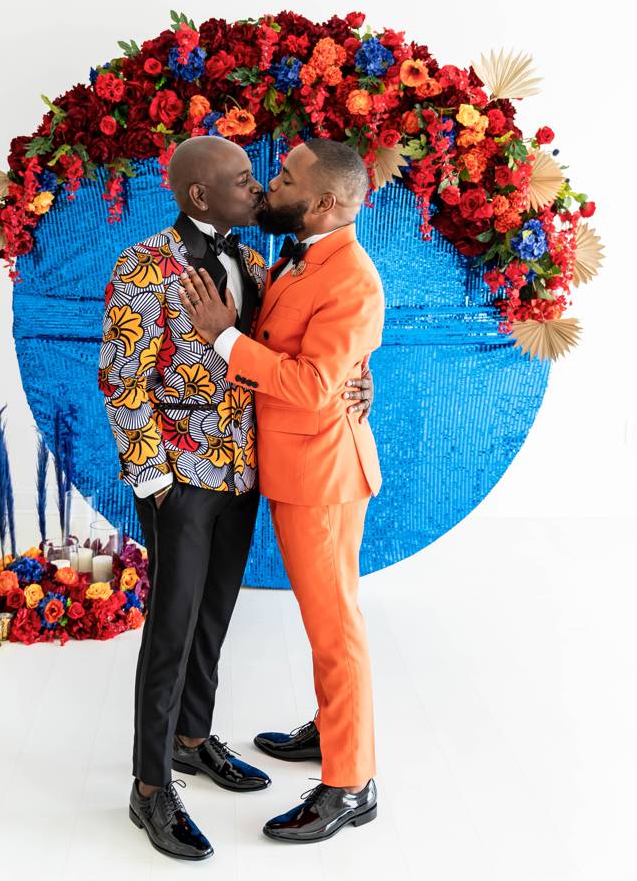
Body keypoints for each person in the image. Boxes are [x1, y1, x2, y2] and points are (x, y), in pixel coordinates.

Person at [177, 137, 384, 844]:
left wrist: (224, 339)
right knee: (329, 619)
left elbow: (310, 383)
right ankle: (331, 728)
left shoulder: (350, 276)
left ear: (326, 202)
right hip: (302, 464)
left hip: (322, 479)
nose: (272, 182)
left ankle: (351, 784)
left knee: (335, 632)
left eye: (287, 177)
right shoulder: (302, 253)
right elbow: (333, 362)